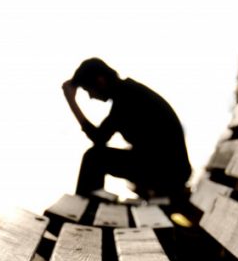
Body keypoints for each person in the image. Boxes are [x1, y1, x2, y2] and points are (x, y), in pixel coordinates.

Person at [62, 58, 192, 200]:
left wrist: (71, 102)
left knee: (94, 158)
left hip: (169, 172)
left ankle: (79, 211)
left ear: (100, 81)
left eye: (88, 90)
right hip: (170, 169)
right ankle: (85, 208)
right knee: (97, 157)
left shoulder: (125, 98)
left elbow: (99, 138)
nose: (91, 97)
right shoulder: (127, 92)